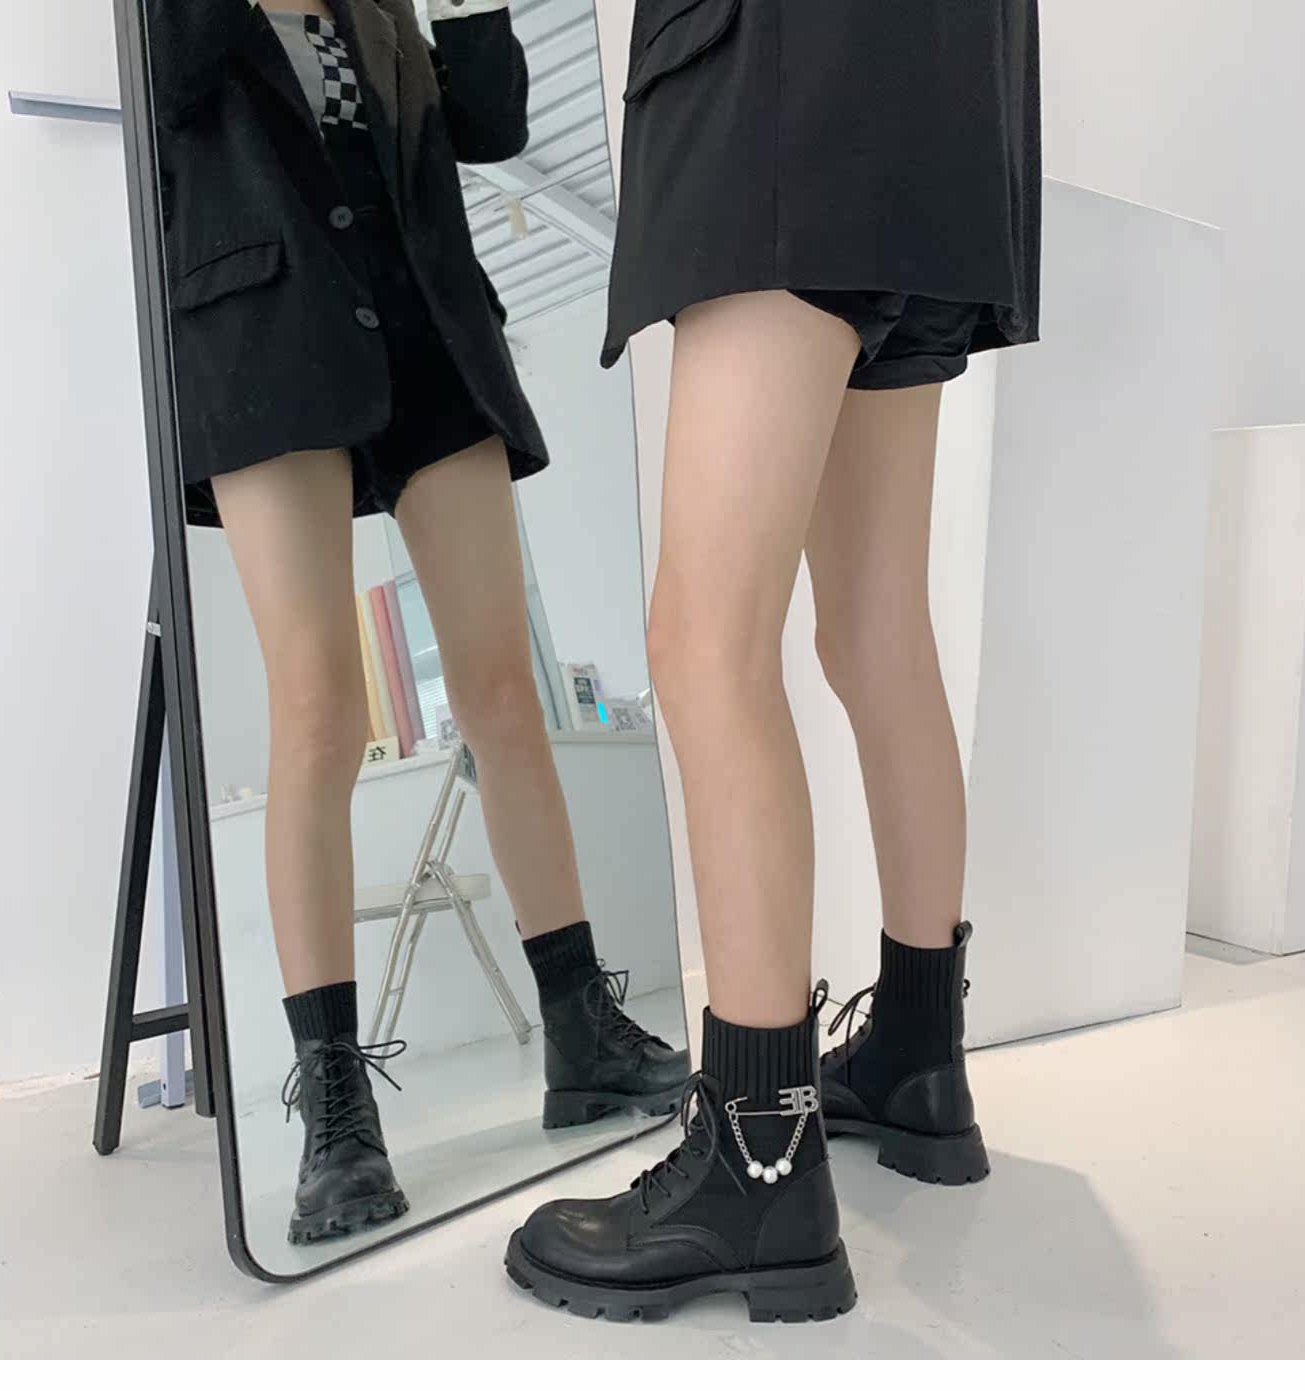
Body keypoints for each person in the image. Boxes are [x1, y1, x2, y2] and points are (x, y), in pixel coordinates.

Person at [506, 0, 1041, 1320]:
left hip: (780, 83)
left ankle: (759, 1160)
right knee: (876, 625)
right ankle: (917, 1057)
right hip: (944, 99)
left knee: (704, 640)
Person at [149, 0, 686, 1246]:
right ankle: (335, 1106)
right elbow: (171, 88)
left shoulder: (375, 10)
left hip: (431, 340)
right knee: (320, 713)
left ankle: (581, 1028)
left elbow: (491, 120)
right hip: (265, 339)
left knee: (504, 693)